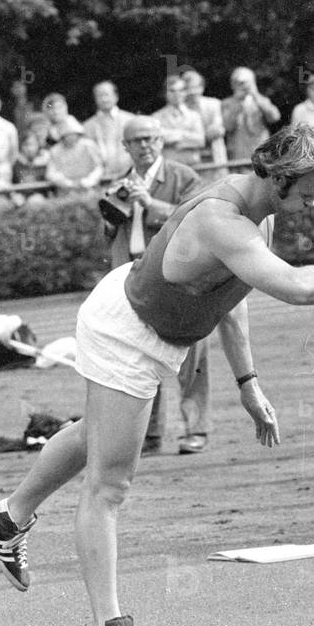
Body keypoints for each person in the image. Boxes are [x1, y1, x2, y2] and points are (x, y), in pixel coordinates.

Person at [0, 123, 314, 626]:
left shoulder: (263, 213)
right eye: (309, 188)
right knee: (110, 484)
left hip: (148, 325)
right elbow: (300, 288)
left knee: (97, 436)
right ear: (281, 176)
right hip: (127, 333)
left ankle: (8, 514)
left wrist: (248, 382)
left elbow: (235, 298)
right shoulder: (220, 218)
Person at [104, 115, 210, 455]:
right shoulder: (119, 182)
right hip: (135, 276)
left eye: (150, 138)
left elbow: (200, 217)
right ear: (125, 146)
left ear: (161, 141)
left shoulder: (183, 176)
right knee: (139, 358)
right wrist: (112, 211)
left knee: (190, 355)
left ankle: (195, 429)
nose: (144, 145)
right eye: (136, 140)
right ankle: (148, 435)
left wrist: (151, 204)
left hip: (178, 276)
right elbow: (107, 237)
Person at [221, 67, 281, 160]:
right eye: (239, 83)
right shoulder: (227, 103)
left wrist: (255, 95)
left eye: (246, 82)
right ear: (232, 84)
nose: (243, 86)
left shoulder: (261, 100)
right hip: (238, 153)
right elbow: (227, 126)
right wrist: (238, 102)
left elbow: (274, 117)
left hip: (260, 151)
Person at [82, 81, 136, 181]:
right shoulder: (87, 126)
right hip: (100, 179)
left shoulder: (131, 120)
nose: (104, 99)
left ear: (116, 96)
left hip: (130, 175)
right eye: (99, 96)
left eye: (106, 94)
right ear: (95, 99)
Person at [152, 75, 205, 166]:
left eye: (181, 90)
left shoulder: (194, 116)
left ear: (185, 92)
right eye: (172, 91)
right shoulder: (156, 117)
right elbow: (158, 140)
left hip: (193, 166)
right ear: (165, 93)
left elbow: (200, 140)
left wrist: (173, 137)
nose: (177, 94)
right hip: (169, 167)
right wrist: (186, 135)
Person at [180, 69, 228, 165]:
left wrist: (194, 138)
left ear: (202, 87)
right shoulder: (178, 110)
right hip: (191, 161)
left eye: (195, 87)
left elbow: (216, 130)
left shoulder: (215, 104)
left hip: (216, 158)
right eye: (187, 88)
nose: (192, 92)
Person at [45, 120, 104, 191]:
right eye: (66, 134)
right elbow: (51, 173)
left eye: (72, 133)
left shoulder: (88, 146)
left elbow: (99, 167)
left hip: (89, 186)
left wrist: (88, 181)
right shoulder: (55, 150)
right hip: (65, 189)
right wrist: (68, 183)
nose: (69, 137)